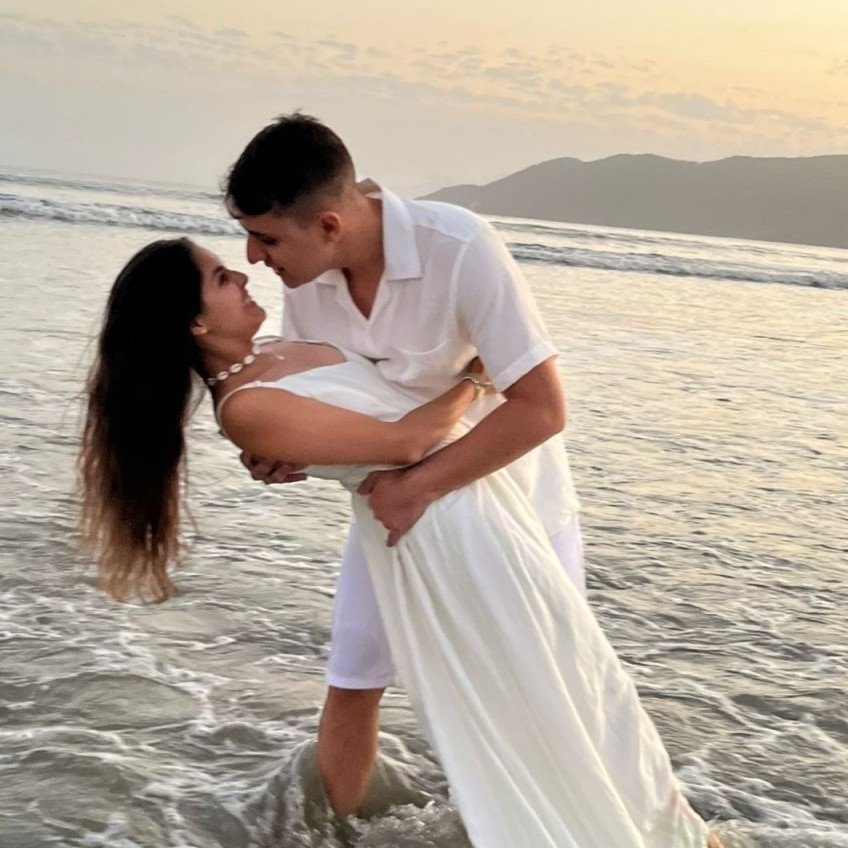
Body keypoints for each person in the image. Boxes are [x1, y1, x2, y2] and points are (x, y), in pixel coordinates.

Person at [79, 238, 722, 847]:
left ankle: (655, 830)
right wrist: (477, 379)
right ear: (194, 322)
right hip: (446, 530)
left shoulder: (275, 350)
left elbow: (374, 401)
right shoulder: (245, 408)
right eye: (222, 278)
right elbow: (407, 442)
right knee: (549, 685)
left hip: (476, 502)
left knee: (579, 680)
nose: (244, 274)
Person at [224, 114, 587, 816]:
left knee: (556, 703)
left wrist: (418, 485)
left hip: (512, 512)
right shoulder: (308, 275)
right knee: (353, 677)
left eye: (266, 237)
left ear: (328, 225)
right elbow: (331, 403)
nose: (253, 257)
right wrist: (285, 450)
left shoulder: (460, 248)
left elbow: (543, 409)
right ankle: (336, 832)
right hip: (390, 512)